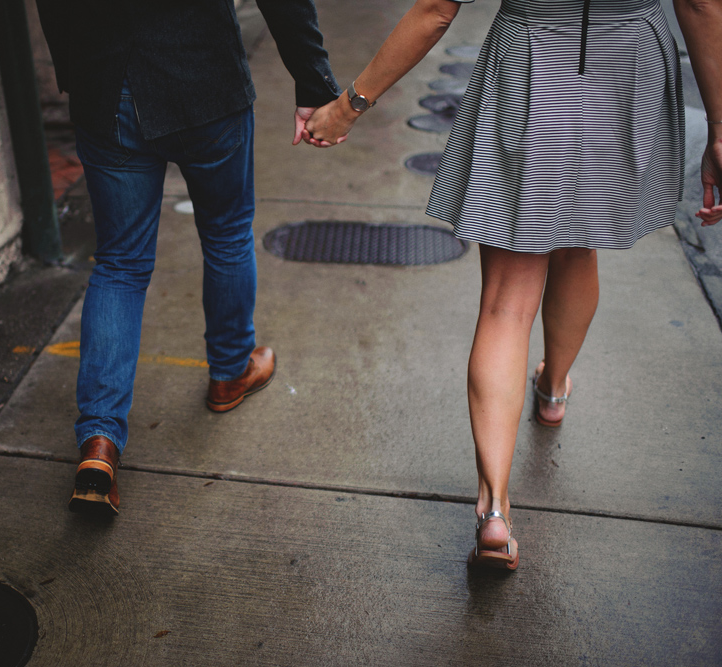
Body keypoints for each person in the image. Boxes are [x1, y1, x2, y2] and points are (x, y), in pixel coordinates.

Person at [304, 0, 722, 569]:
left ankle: (494, 510)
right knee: (580, 246)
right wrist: (719, 127)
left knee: (506, 302)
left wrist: (349, 106)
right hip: (628, 67)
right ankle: (552, 389)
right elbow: (700, 5)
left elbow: (435, 9)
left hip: (530, 62)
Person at [35, 0, 341, 516]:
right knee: (225, 232)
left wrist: (77, 68)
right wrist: (313, 82)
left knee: (119, 264)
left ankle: (99, 445)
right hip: (203, 78)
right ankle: (229, 372)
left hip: (105, 83)